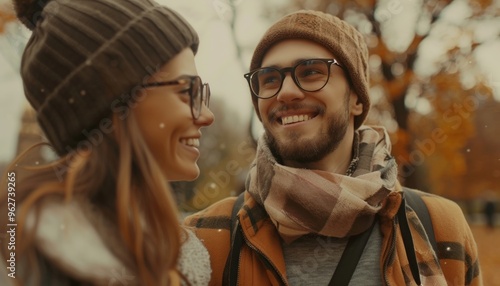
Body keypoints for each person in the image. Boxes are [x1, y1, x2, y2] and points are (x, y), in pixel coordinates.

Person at [185, 10, 482, 285]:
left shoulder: (440, 226)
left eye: (311, 71)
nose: (286, 92)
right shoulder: (205, 238)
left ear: (356, 98)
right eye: (269, 79)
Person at [0, 0, 214, 285]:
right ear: (116, 106)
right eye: (187, 91)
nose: (207, 116)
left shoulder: (181, 256)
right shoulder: (20, 266)